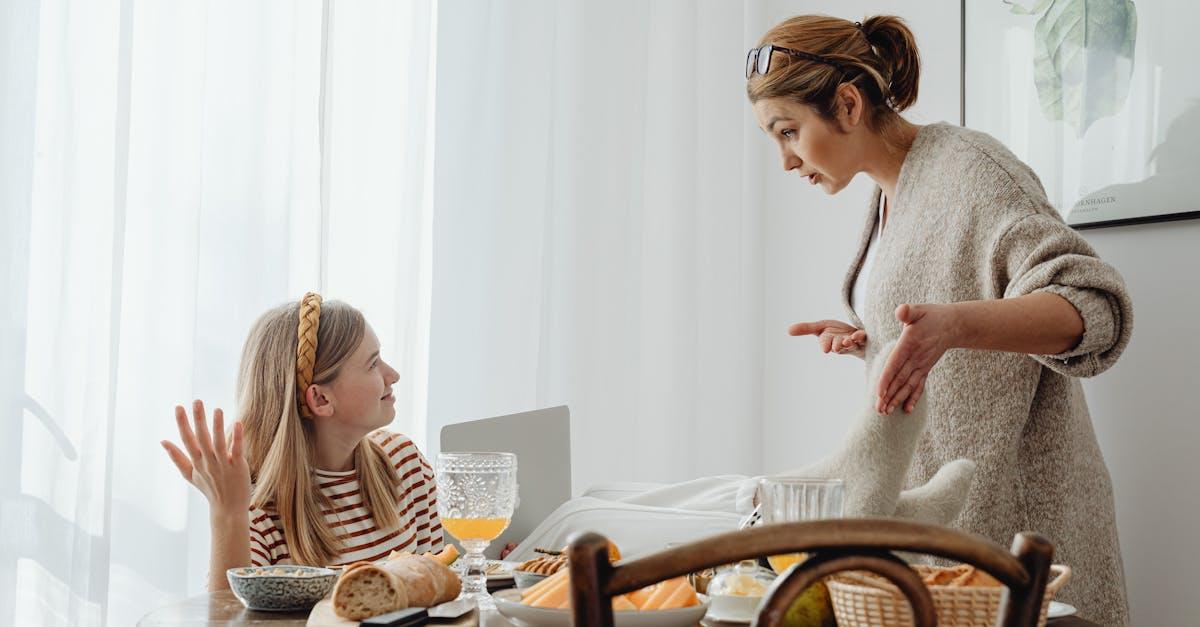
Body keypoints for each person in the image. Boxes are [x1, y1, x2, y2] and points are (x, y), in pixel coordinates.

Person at [746, 14, 1133, 625]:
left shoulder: (973, 170)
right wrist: (874, 343)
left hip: (1021, 532)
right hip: (947, 537)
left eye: (788, 132)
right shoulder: (888, 193)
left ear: (847, 103)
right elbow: (950, 312)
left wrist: (952, 326)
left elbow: (1093, 308)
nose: (786, 161)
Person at [160, 293, 443, 590]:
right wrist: (228, 513)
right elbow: (227, 622)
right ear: (321, 398)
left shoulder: (405, 464)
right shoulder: (259, 515)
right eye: (373, 364)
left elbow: (442, 595)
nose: (393, 375)